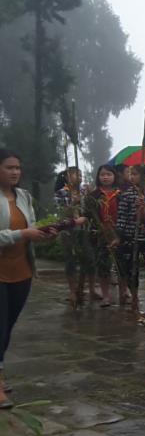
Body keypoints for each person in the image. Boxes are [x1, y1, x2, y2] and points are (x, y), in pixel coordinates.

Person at [1, 150, 64, 410]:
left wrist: (43, 233)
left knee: (8, 326)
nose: (15, 172)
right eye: (9, 167)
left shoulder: (23, 196)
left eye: (18, 167)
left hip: (22, 270)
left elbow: (32, 226)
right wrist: (21, 233)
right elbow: (17, 233)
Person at [114, 164, 145, 313]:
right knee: (131, 269)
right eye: (131, 174)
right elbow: (121, 216)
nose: (132, 177)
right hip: (130, 236)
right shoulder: (127, 194)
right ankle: (134, 297)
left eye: (135, 174)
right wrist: (119, 236)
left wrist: (143, 209)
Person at [85, 164, 121, 306]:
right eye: (102, 175)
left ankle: (125, 292)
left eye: (109, 174)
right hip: (99, 234)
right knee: (102, 265)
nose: (105, 177)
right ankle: (106, 295)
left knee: (121, 264)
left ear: (114, 176)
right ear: (98, 177)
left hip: (119, 232)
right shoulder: (93, 196)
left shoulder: (121, 193)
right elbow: (87, 215)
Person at [54, 167, 90, 306]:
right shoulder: (62, 192)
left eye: (81, 174)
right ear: (67, 176)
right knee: (70, 260)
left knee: (86, 258)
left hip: (83, 229)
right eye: (76, 174)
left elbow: (88, 209)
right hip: (68, 230)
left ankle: (82, 287)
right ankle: (72, 290)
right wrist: (72, 203)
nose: (79, 176)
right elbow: (60, 211)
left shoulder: (83, 191)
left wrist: (87, 196)